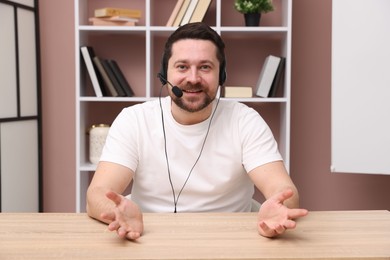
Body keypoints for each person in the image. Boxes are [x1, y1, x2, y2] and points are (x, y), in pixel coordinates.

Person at [86, 22, 308, 240]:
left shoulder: (245, 120)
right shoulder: (134, 119)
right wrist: (116, 213)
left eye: (205, 67)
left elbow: (283, 190)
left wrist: (280, 206)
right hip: (147, 233)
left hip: (230, 238)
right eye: (182, 66)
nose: (193, 78)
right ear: (165, 74)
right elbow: (97, 194)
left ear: (221, 76)